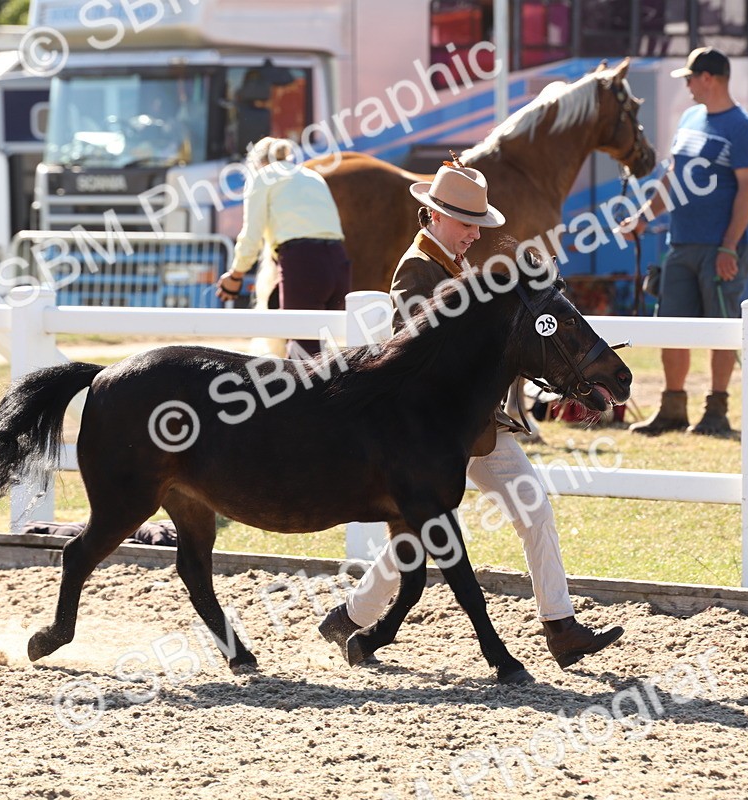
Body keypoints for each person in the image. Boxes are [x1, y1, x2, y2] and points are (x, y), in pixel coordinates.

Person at [317, 162, 624, 673]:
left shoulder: (454, 264)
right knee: (428, 530)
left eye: (477, 222)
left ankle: (560, 626)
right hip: (436, 430)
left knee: (523, 512)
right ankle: (354, 616)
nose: (475, 232)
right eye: (466, 222)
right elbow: (418, 346)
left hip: (476, 426)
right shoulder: (416, 269)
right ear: (435, 216)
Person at [620, 47, 748, 436]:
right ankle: (672, 408)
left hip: (722, 250)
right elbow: (671, 180)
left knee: (722, 329)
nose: (686, 85)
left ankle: (716, 412)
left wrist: (729, 247)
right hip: (680, 244)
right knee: (672, 327)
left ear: (709, 79)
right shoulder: (689, 119)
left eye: (690, 78)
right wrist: (642, 218)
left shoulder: (742, 128)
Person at [216, 136, 350, 358]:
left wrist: (236, 274)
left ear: (258, 162)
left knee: (302, 359)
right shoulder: (312, 175)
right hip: (338, 264)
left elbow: (252, 234)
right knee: (322, 355)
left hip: (302, 264)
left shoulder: (264, 177)